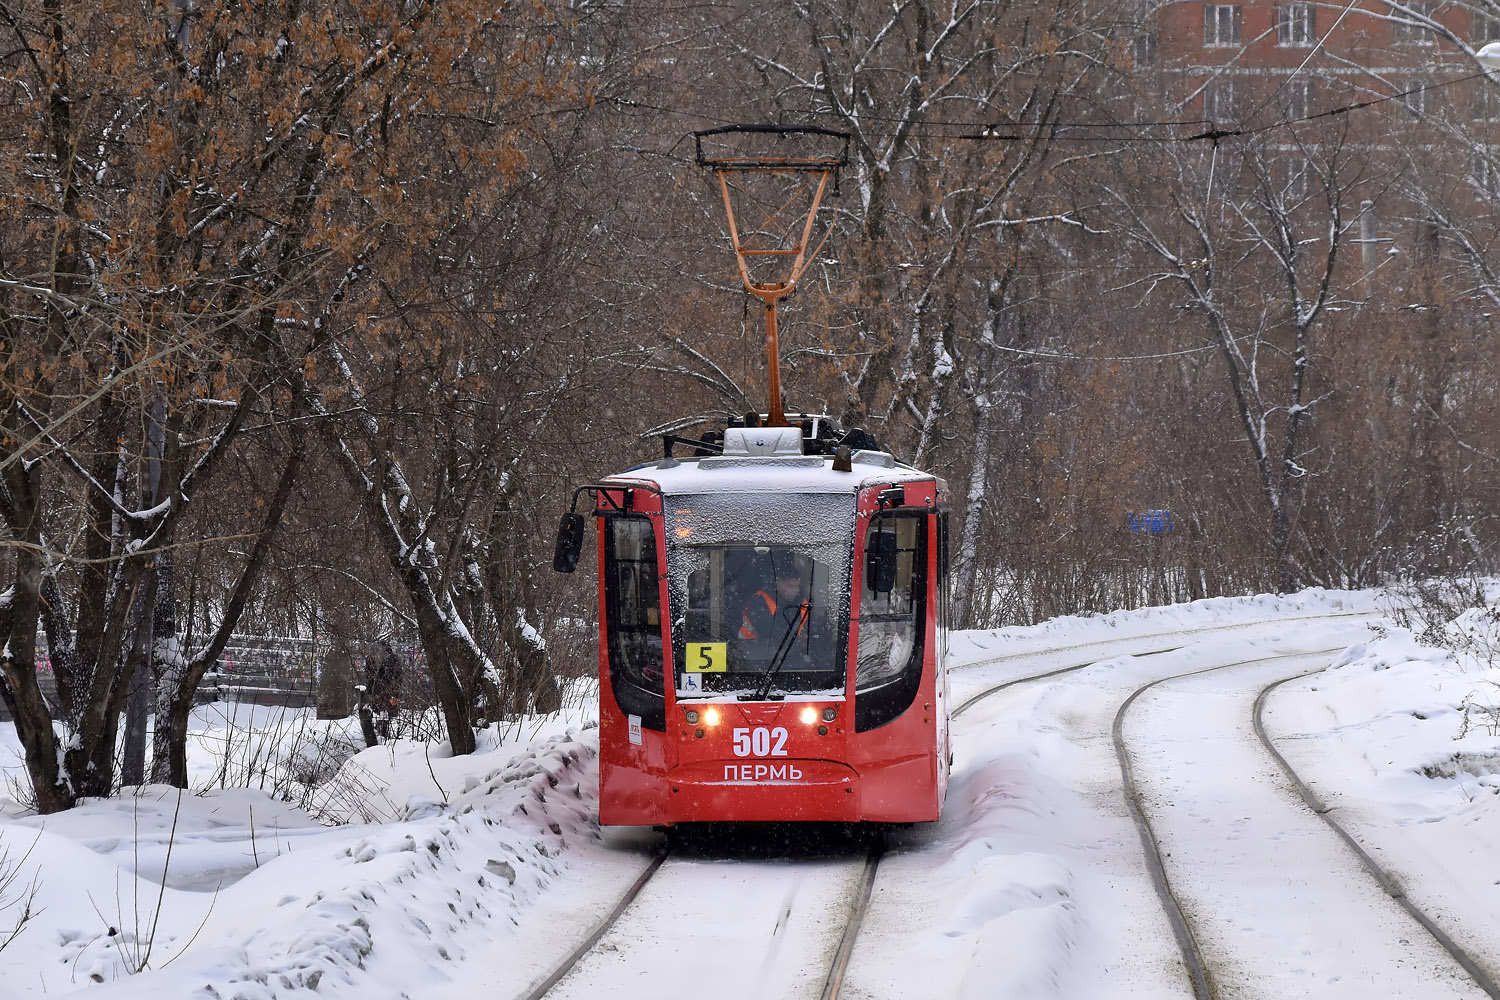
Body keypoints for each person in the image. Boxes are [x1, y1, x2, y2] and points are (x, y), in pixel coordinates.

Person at [740, 559, 810, 647]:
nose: (794, 590)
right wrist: (797, 639)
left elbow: (812, 628)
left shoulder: (804, 603)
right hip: (755, 650)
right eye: (790, 586)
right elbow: (769, 631)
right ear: (778, 583)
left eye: (796, 586)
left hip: (793, 652)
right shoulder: (761, 600)